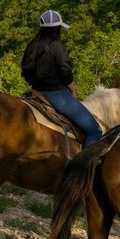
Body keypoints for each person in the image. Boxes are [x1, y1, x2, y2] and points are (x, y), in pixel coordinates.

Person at [21, 9, 103, 147]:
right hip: (57, 94)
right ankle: (81, 167)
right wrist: (73, 90)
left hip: (35, 92)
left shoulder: (32, 46)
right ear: (57, 28)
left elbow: (25, 70)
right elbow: (65, 72)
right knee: (94, 131)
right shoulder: (57, 46)